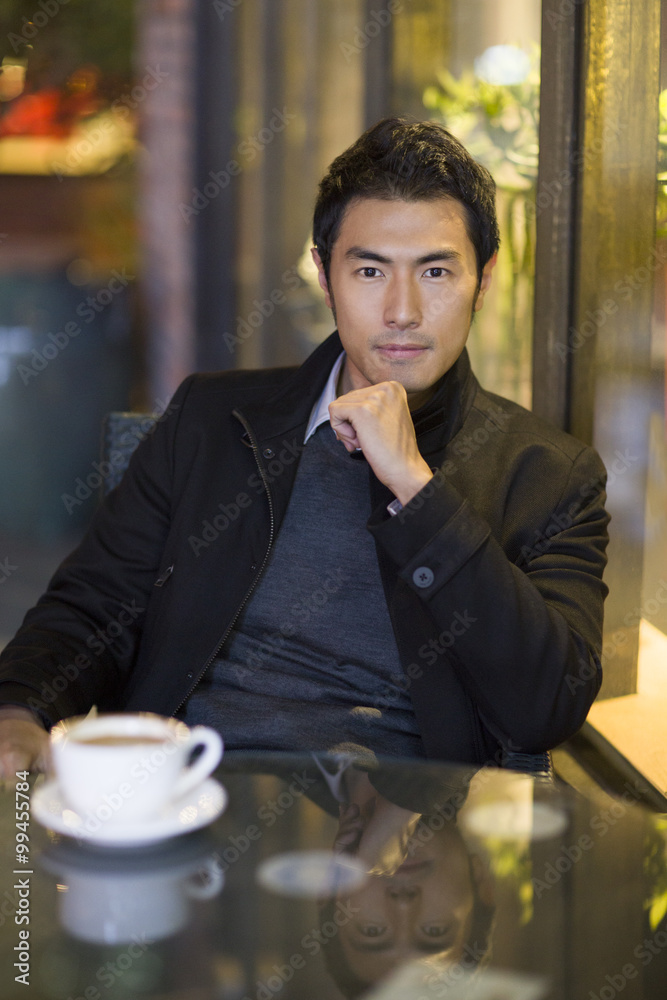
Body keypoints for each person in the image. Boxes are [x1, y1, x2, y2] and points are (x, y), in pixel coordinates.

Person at [0, 117, 609, 777]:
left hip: (399, 835)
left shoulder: (548, 476)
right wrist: (19, 711)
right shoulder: (210, 420)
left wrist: (419, 491)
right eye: (370, 270)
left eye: (435, 271)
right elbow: (92, 606)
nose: (402, 310)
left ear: (483, 281)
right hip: (190, 800)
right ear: (325, 276)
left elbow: (545, 707)